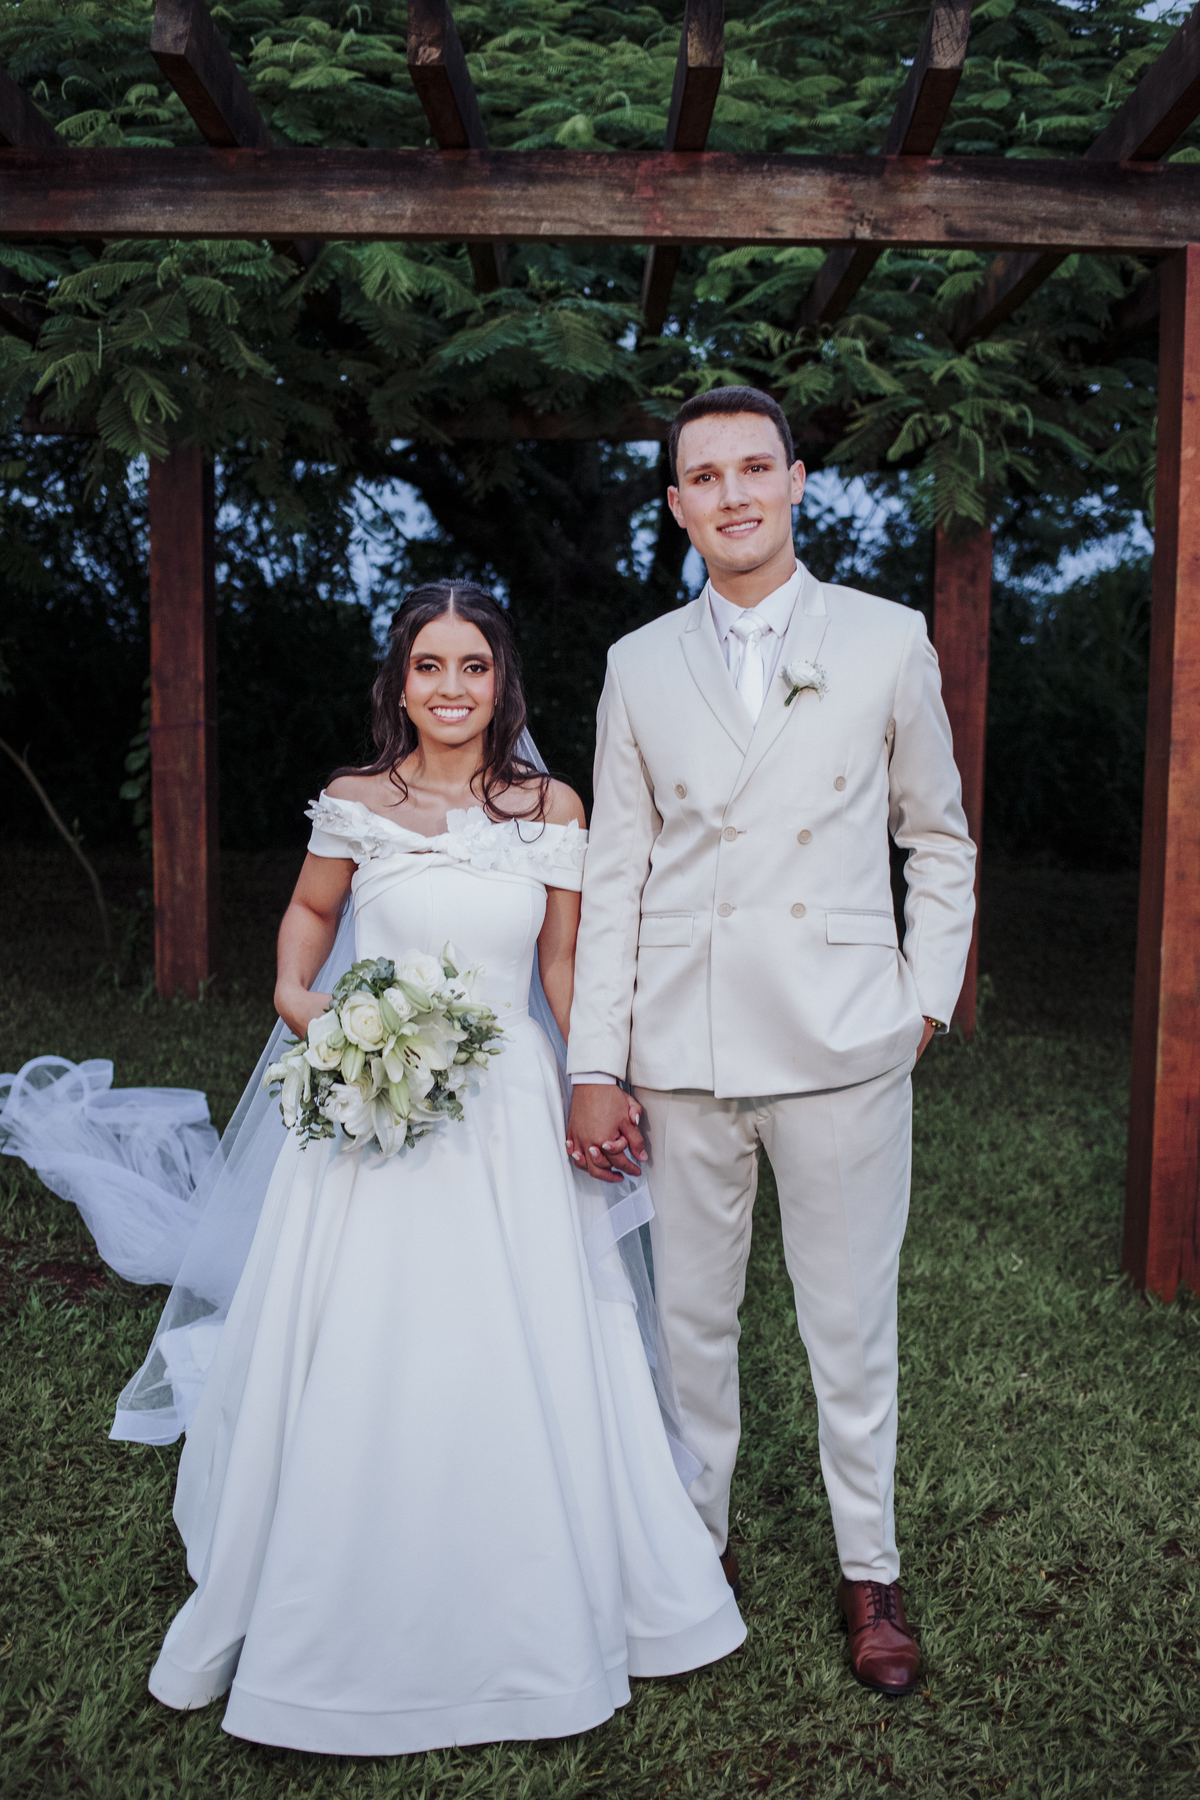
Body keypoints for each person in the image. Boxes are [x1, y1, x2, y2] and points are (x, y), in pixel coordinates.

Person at [145, 580, 745, 1754]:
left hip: (508, 1108)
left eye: (475, 665)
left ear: (502, 680)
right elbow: (311, 915)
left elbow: (564, 965)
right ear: (401, 681)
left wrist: (597, 1072)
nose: (453, 687)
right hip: (376, 1109)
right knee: (370, 1326)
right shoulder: (355, 800)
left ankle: (534, 1579)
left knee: (519, 1326)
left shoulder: (551, 807)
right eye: (431, 665)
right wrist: (302, 1001)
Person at [565, 388, 976, 1698]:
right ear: (676, 505)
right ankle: (695, 1553)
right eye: (706, 475)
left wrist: (923, 1001)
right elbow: (615, 874)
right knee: (692, 1326)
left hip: (843, 1041)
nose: (733, 493)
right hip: (684, 1048)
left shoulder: (887, 638)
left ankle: (871, 1569)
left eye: (756, 467)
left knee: (849, 1327)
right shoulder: (637, 663)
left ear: (797, 481)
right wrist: (594, 1062)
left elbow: (939, 839)